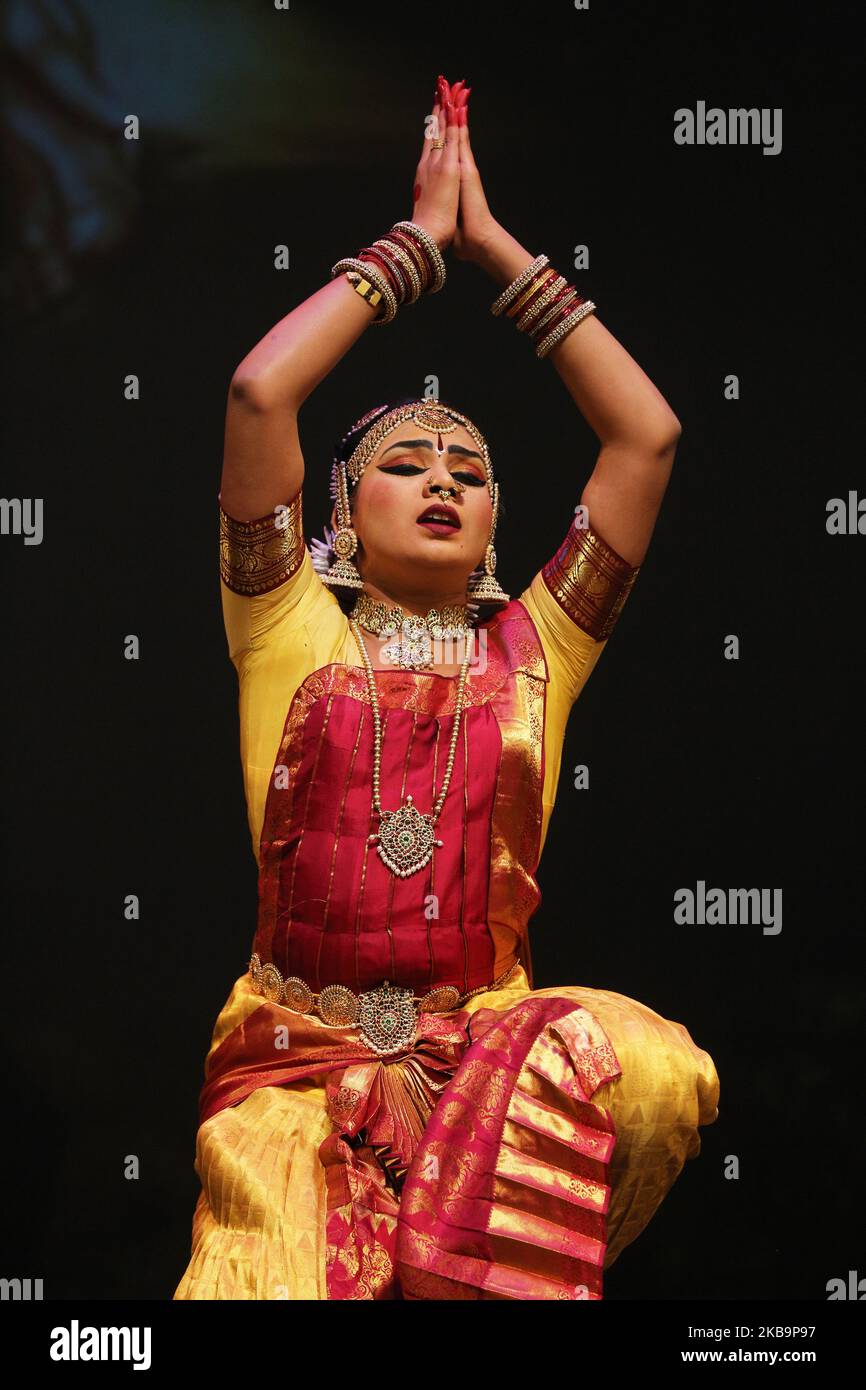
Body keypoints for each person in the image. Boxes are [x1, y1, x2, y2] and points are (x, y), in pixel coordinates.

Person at [174, 76, 719, 1302]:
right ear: (340, 519)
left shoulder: (535, 649)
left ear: (488, 531)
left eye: (467, 473)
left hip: (482, 1063)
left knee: (654, 1068)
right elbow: (262, 393)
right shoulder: (285, 630)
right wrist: (415, 252)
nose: (439, 481)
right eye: (402, 465)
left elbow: (646, 438)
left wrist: (498, 253)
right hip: (292, 1069)